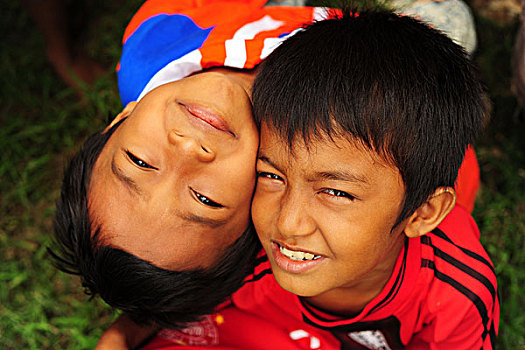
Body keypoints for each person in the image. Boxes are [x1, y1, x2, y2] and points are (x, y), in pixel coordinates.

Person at [136, 7, 498, 349]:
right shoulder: (240, 244)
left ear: (422, 213)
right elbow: (172, 302)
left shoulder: (455, 294)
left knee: (444, 26)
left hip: (446, 168)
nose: (288, 223)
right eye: (271, 175)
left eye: (336, 193)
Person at [50, 0, 326, 331]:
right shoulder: (334, 122)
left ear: (119, 121)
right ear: (264, 202)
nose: (188, 149)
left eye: (139, 161)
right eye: (204, 199)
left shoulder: (157, 36)